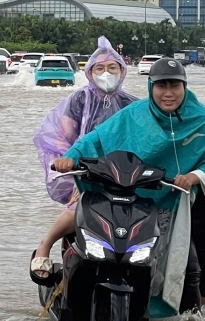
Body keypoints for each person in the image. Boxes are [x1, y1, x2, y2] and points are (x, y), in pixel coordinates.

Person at [52, 57, 205, 308]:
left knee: (200, 264)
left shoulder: (202, 120)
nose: (168, 93)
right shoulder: (133, 115)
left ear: (185, 87)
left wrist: (194, 176)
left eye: (174, 86)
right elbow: (95, 140)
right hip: (139, 198)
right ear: (150, 87)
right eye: (161, 86)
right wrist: (70, 158)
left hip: (183, 200)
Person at [31, 36, 137, 280]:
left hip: (125, 175)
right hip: (86, 173)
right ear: (90, 72)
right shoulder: (79, 99)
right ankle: (44, 245)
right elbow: (60, 137)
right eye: (99, 68)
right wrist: (74, 169)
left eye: (112, 67)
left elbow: (146, 140)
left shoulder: (133, 104)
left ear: (122, 70)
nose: (106, 73)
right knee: (78, 208)